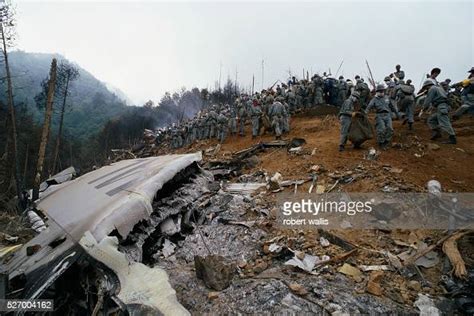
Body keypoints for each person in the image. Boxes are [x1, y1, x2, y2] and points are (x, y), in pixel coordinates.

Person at [422, 80, 457, 144]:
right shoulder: (439, 88)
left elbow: (428, 100)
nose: (425, 89)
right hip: (443, 106)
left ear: (427, 86)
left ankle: (452, 138)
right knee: (431, 120)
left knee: (444, 122)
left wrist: (424, 108)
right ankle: (437, 133)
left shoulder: (432, 88)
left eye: (425, 88)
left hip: (441, 107)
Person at [365, 84, 400, 149]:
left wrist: (397, 114)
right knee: (381, 129)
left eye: (382, 91)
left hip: (387, 115)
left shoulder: (387, 98)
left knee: (390, 129)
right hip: (379, 115)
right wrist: (365, 113)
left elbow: (392, 107)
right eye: (380, 91)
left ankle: (386, 141)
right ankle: (381, 142)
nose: (381, 92)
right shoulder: (374, 99)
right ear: (377, 92)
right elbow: (369, 107)